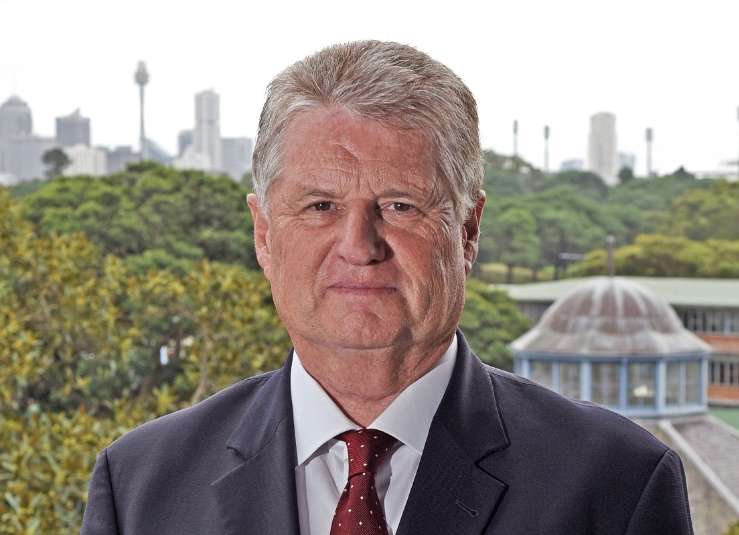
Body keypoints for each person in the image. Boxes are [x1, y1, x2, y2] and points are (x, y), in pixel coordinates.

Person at [81, 40, 693, 535]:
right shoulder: (140, 485)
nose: (359, 245)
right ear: (264, 234)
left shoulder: (616, 483)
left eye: (400, 206)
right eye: (320, 206)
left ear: (468, 230)